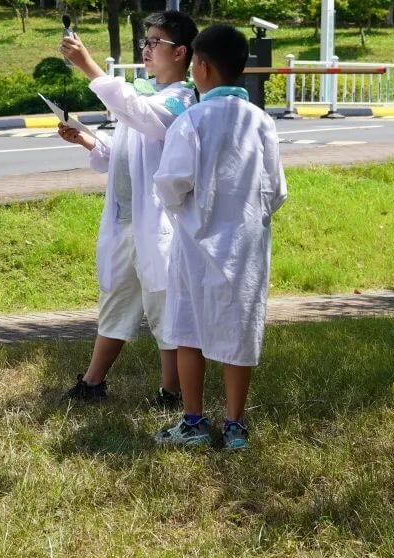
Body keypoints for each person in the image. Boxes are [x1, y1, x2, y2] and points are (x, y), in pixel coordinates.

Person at [151, 24, 288, 449]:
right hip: (245, 248)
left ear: (201, 67)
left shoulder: (192, 120)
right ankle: (234, 425)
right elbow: (276, 190)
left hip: (195, 244)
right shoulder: (261, 121)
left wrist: (186, 211)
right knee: (239, 330)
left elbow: (170, 183)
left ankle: (193, 421)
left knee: (188, 330)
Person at [55, 11, 198, 406]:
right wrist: (87, 140)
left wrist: (88, 65)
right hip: (126, 219)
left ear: (180, 52)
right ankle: (92, 383)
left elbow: (144, 119)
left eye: (155, 42)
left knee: (163, 305)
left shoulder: (182, 99)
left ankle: (171, 392)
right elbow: (124, 150)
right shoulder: (146, 93)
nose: (146, 49)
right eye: (144, 42)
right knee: (117, 298)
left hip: (158, 223)